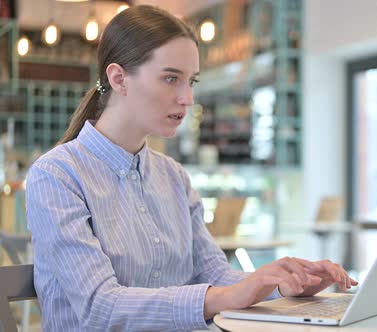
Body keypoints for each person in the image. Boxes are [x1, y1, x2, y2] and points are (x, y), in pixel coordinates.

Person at [25, 5, 357, 331]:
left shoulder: (173, 176)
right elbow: (101, 306)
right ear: (118, 78)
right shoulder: (56, 176)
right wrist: (225, 296)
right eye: (171, 78)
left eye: (192, 81)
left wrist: (283, 284)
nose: (188, 99)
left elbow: (216, 276)